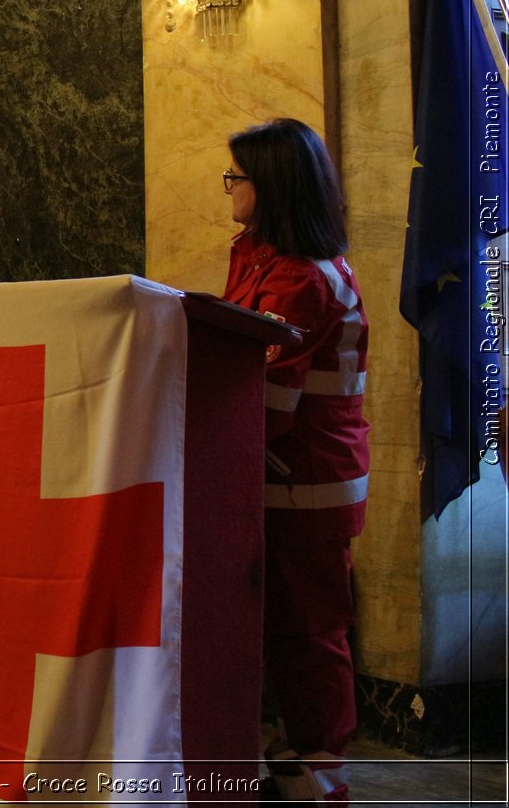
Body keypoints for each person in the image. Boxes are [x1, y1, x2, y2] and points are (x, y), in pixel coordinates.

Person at [221, 118, 368, 805]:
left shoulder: (306, 278)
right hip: (274, 474)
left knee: (311, 629)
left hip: (308, 478)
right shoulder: (258, 254)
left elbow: (265, 392)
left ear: (271, 185)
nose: (227, 188)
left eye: (237, 176)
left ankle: (320, 765)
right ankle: (294, 744)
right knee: (281, 623)